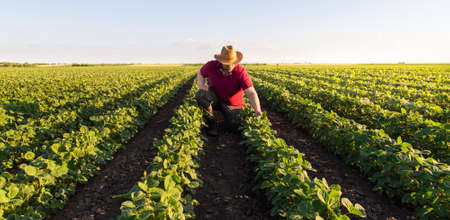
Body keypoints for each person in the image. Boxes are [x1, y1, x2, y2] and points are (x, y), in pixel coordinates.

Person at [195, 45, 262, 136]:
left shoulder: (240, 71)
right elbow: (200, 73)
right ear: (221, 61)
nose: (230, 65)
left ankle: (227, 116)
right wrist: (201, 85)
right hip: (216, 99)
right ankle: (211, 122)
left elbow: (251, 92)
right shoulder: (211, 66)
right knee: (201, 94)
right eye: (227, 62)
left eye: (232, 62)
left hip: (233, 105)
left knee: (234, 127)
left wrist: (257, 110)